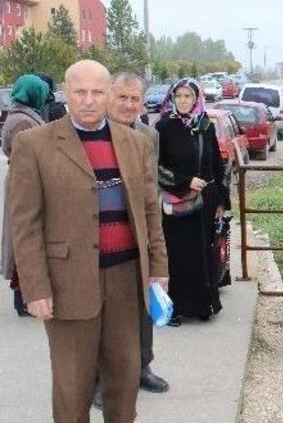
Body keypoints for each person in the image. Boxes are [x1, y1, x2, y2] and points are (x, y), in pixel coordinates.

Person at [10, 59, 168, 422]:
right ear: (65, 93)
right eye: (80, 91)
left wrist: (159, 268)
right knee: (72, 386)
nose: (89, 100)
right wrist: (35, 288)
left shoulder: (135, 143)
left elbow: (149, 212)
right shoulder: (34, 144)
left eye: (97, 92)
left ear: (109, 94)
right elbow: (25, 224)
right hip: (67, 283)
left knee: (125, 379)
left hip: (126, 279)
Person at [102, 71, 169, 394]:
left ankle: (142, 365)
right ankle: (100, 379)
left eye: (135, 99)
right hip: (102, 237)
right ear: (109, 96)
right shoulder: (93, 134)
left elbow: (151, 187)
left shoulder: (148, 135)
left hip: (140, 234)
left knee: (144, 304)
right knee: (103, 313)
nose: (129, 105)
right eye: (122, 97)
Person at [156, 77, 229, 324]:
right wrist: (186, 181)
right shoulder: (164, 127)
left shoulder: (205, 125)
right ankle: (174, 309)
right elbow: (156, 167)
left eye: (188, 96)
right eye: (178, 96)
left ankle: (203, 306)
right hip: (178, 203)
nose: (183, 100)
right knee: (178, 255)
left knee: (204, 253)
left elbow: (217, 163)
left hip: (205, 203)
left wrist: (221, 200)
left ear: (196, 98)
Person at [2, 75, 48, 317]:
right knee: (26, 238)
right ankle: (24, 299)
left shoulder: (22, 114)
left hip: (25, 178)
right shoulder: (22, 121)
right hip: (25, 181)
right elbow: (27, 156)